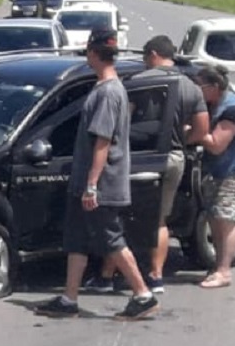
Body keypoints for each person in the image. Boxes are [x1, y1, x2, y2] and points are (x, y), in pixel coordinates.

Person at [35, 28, 159, 321]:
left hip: (101, 185)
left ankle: (143, 295)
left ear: (92, 52)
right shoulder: (107, 88)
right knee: (77, 239)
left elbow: (102, 142)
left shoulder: (108, 92)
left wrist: (92, 185)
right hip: (84, 182)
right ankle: (69, 299)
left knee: (110, 239)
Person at [84, 35, 210, 294]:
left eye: (144, 57)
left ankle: (108, 275)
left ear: (153, 54)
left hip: (138, 158)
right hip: (174, 157)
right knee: (160, 218)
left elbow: (121, 122)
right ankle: (156, 276)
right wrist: (178, 140)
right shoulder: (191, 87)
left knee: (124, 219)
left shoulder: (137, 83)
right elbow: (201, 130)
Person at [194, 64, 235, 289]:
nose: (197, 91)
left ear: (214, 87)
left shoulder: (232, 109)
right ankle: (217, 267)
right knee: (214, 216)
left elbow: (216, 145)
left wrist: (193, 132)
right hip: (218, 171)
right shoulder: (215, 105)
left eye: (199, 87)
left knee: (227, 219)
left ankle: (224, 271)